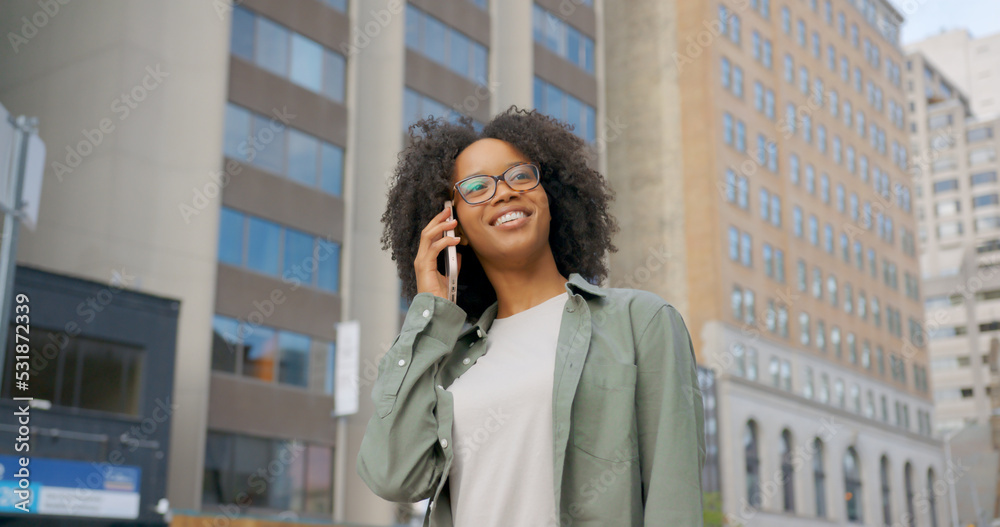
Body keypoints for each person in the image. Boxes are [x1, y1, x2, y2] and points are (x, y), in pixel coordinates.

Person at [357, 106, 705, 527]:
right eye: (477, 187)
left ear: (549, 196)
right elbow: (393, 477)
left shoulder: (641, 322)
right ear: (453, 226)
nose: (504, 192)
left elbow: (674, 498)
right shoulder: (447, 359)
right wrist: (429, 315)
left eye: (520, 176)